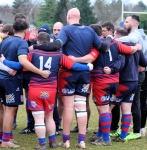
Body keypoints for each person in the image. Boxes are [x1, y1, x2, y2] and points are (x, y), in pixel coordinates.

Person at [31, 8, 112, 149]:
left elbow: (56, 45)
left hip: (68, 72)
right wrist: (110, 37)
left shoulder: (66, 30)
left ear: (68, 16)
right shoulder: (90, 31)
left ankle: (66, 141)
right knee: (81, 106)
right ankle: (81, 141)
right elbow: (103, 47)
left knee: (68, 106)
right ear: (79, 17)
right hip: (84, 74)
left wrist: (36, 46)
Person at [0, 19, 50, 149]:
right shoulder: (21, 43)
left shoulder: (5, 41)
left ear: (13, 29)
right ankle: (5, 141)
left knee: (8, 109)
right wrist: (40, 72)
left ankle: (8, 136)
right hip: (11, 81)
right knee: (10, 110)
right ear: (26, 30)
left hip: (1, 78)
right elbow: (23, 62)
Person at [110, 27, 147, 142]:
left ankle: (102, 134)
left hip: (123, 82)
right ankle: (123, 136)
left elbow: (119, 64)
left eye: (115, 35)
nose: (114, 38)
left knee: (108, 107)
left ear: (120, 36)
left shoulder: (119, 46)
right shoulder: (136, 47)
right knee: (127, 109)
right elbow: (144, 63)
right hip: (134, 81)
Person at [119, 15, 147, 140]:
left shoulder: (135, 35)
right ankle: (139, 128)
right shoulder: (144, 36)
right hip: (141, 72)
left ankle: (136, 131)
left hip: (136, 74)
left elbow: (128, 38)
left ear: (134, 24)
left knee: (135, 102)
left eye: (126, 22)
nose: (124, 24)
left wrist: (113, 39)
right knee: (138, 101)